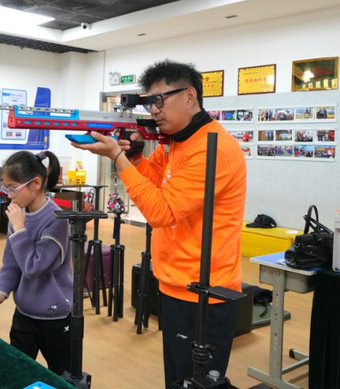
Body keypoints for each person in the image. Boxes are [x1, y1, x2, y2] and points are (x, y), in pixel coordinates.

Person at [72, 59, 247, 387]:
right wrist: (135, 157)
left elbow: (161, 212)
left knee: (194, 382)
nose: (153, 110)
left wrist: (118, 158)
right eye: (149, 102)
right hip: (174, 283)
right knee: (176, 379)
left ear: (190, 96)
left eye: (159, 100)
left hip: (204, 293)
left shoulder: (212, 148)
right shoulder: (176, 141)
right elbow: (153, 181)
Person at [0, 150, 72, 376]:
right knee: (18, 373)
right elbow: (11, 260)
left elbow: (34, 267)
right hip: (24, 312)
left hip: (55, 315)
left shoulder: (56, 220)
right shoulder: (19, 216)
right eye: (6, 188)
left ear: (36, 183)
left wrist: (19, 228)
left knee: (63, 375)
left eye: (13, 188)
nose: (9, 195)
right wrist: (3, 290)